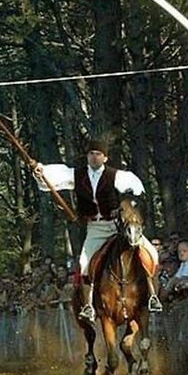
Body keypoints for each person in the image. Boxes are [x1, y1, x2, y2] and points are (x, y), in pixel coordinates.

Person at [33, 138, 162, 325]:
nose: (94, 157)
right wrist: (40, 171)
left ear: (105, 157)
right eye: (91, 154)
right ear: (87, 156)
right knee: (84, 263)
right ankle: (89, 306)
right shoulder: (77, 175)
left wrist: (126, 205)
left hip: (118, 227)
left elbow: (135, 190)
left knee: (151, 254)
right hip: (96, 228)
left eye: (98, 154)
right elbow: (55, 177)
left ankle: (152, 297)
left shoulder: (116, 176)